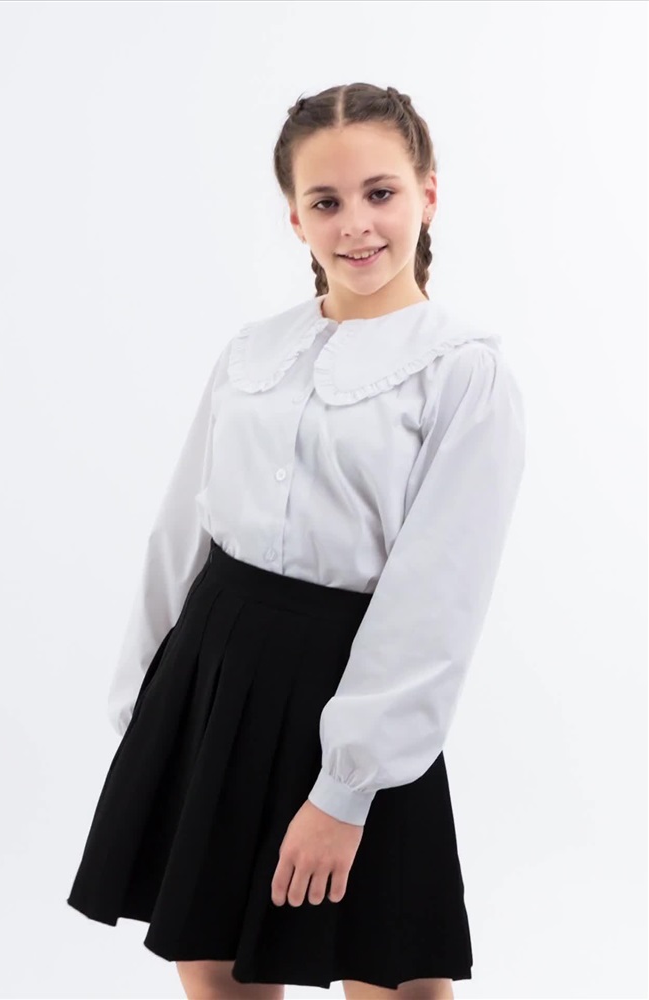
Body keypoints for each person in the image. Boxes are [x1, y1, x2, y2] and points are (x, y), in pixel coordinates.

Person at [66, 82, 526, 1000]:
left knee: (393, 973)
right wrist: (144, 708)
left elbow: (436, 599)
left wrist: (346, 788)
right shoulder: (252, 351)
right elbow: (180, 533)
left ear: (428, 193)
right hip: (207, 676)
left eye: (380, 192)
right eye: (326, 201)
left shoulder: (464, 373)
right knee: (214, 968)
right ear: (294, 218)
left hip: (355, 686)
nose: (356, 224)